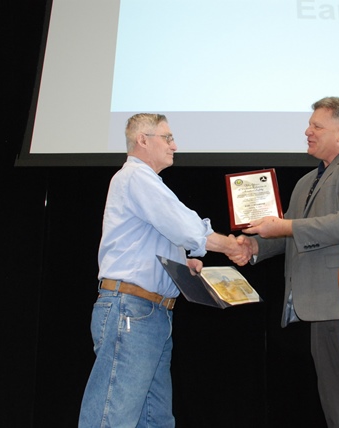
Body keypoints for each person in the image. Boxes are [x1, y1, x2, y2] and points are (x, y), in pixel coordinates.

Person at [78, 113, 250, 427]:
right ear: (142, 140)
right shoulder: (136, 178)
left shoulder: (146, 183)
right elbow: (185, 227)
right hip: (133, 312)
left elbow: (159, 239)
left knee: (155, 419)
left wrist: (184, 263)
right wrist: (230, 245)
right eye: (167, 138)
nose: (175, 145)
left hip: (150, 314)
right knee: (112, 418)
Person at [237, 97, 339, 428]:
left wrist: (285, 227)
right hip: (319, 307)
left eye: (317, 126)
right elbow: (288, 232)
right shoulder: (307, 181)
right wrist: (253, 248)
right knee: (336, 406)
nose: (308, 131)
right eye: (310, 125)